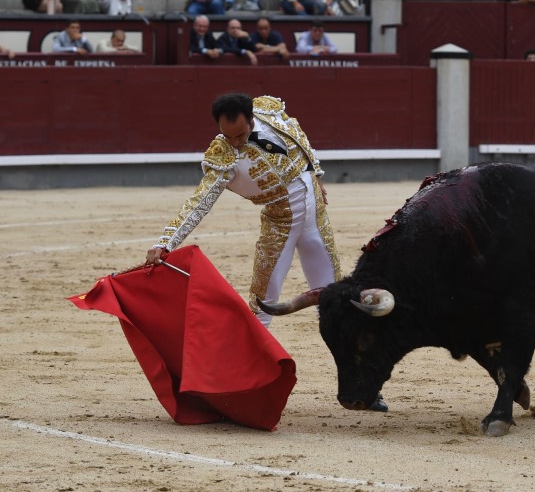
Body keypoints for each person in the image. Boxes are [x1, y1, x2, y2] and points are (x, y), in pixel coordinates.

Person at [143, 93, 390, 413]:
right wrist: (166, 242)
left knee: (339, 307)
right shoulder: (222, 156)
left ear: (251, 119)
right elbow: (199, 202)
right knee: (261, 307)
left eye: (242, 135)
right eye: (228, 136)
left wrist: (316, 173)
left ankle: (365, 388)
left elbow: (299, 136)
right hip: (279, 227)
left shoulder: (270, 112)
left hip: (316, 220)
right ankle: (239, 388)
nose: (236, 143)